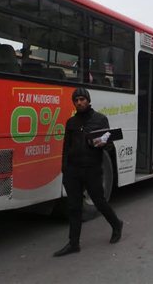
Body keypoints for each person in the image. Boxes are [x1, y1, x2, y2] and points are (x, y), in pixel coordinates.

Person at [54, 87, 123, 257]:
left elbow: (109, 145)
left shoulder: (100, 119)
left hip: (92, 169)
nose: (79, 102)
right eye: (76, 100)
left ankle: (116, 224)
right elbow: (66, 147)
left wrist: (103, 144)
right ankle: (73, 243)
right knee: (74, 207)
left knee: (99, 201)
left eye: (82, 99)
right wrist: (64, 169)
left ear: (88, 100)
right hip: (73, 171)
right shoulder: (71, 123)